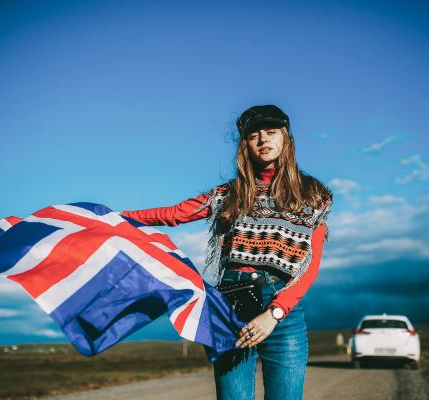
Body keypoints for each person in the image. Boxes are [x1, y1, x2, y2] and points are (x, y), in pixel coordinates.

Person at [119, 104, 333, 400]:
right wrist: (112, 218)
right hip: (231, 305)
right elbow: (174, 214)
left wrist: (275, 313)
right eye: (254, 135)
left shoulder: (313, 195)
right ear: (245, 144)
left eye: (271, 133)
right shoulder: (228, 194)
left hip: (283, 312)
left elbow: (308, 266)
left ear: (286, 139)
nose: (263, 140)